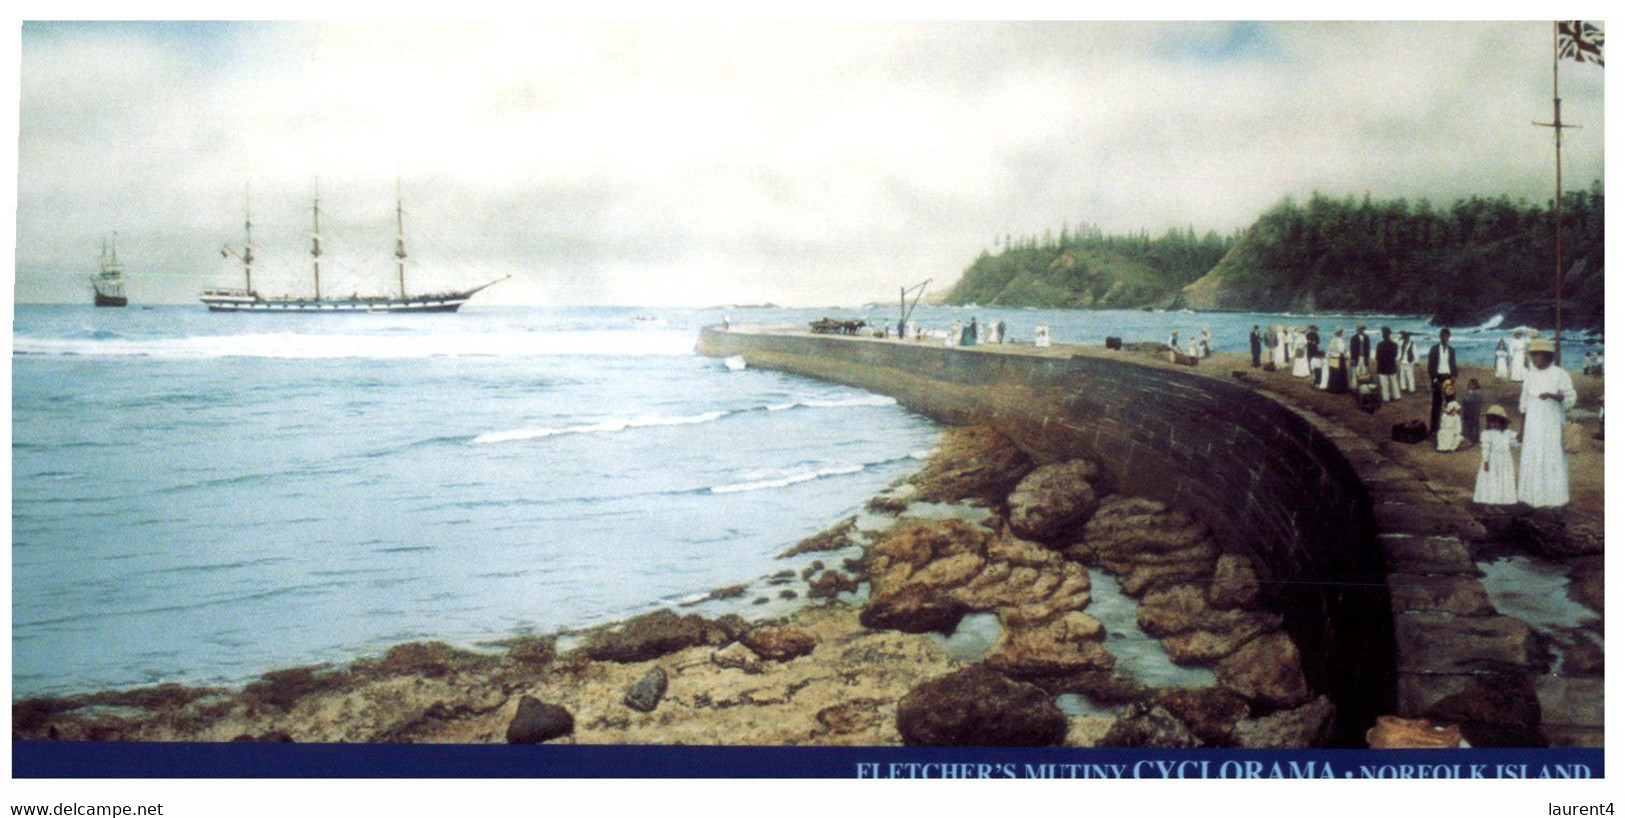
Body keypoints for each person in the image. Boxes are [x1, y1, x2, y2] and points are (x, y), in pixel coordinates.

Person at [1517, 338, 1577, 507]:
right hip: (1533, 426)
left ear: (1547, 355)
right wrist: (1521, 430)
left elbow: (1571, 398)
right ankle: (1531, 498)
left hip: (1552, 424)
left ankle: (1554, 500)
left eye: (1537, 355)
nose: (1534, 358)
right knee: (1533, 457)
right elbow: (1524, 405)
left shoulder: (1560, 374)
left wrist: (1552, 396)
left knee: (1552, 458)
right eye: (1532, 355)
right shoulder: (1529, 376)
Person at [1473, 405, 1519, 505]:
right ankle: (1489, 505)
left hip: (1505, 460)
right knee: (1492, 481)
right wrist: (1486, 461)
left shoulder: (1507, 433)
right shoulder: (1487, 434)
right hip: (1492, 460)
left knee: (1501, 481)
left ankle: (1497, 503)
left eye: (1496, 421)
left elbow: (1516, 442)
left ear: (1502, 422)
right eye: (1491, 421)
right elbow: (1486, 448)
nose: (1493, 424)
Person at [1427, 328, 1458, 433]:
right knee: (1436, 404)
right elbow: (1430, 366)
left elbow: (1453, 364)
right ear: (1440, 337)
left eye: (1447, 336)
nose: (1445, 338)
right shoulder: (1434, 349)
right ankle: (1433, 429)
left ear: (1449, 337)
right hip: (1438, 377)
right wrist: (1435, 379)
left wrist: (1454, 376)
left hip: (1448, 378)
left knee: (1451, 403)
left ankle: (1452, 428)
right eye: (1443, 336)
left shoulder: (1451, 350)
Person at [1374, 327, 1400, 403]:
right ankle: (1396, 396)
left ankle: (1386, 398)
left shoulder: (1379, 344)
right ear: (1389, 334)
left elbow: (1377, 357)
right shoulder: (1394, 344)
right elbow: (1395, 355)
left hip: (1382, 366)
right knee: (1394, 382)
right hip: (1391, 365)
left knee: (1384, 383)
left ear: (1383, 335)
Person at [1436, 381, 1463, 452]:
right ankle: (1442, 447)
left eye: (1455, 411)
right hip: (1445, 431)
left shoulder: (1457, 417)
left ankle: (1450, 447)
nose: (1454, 412)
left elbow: (1458, 428)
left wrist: (1455, 432)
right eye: (1452, 411)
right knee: (1442, 434)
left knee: (1457, 438)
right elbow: (1442, 425)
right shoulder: (1445, 416)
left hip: (1452, 432)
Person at [1460, 378, 1483, 446]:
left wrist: (1477, 413)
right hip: (1467, 411)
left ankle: (1475, 439)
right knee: (1466, 424)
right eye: (1469, 384)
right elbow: (1464, 401)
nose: (1470, 386)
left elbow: (1477, 404)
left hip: (1474, 411)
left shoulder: (1478, 393)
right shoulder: (1467, 392)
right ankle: (1468, 437)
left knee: (1474, 425)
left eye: (1472, 384)